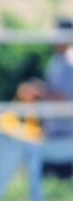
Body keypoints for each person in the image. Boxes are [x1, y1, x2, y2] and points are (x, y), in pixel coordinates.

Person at [17, 17, 73, 178]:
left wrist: (38, 91)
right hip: (54, 129)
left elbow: (64, 97)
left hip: (66, 130)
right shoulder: (56, 61)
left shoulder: (69, 63)